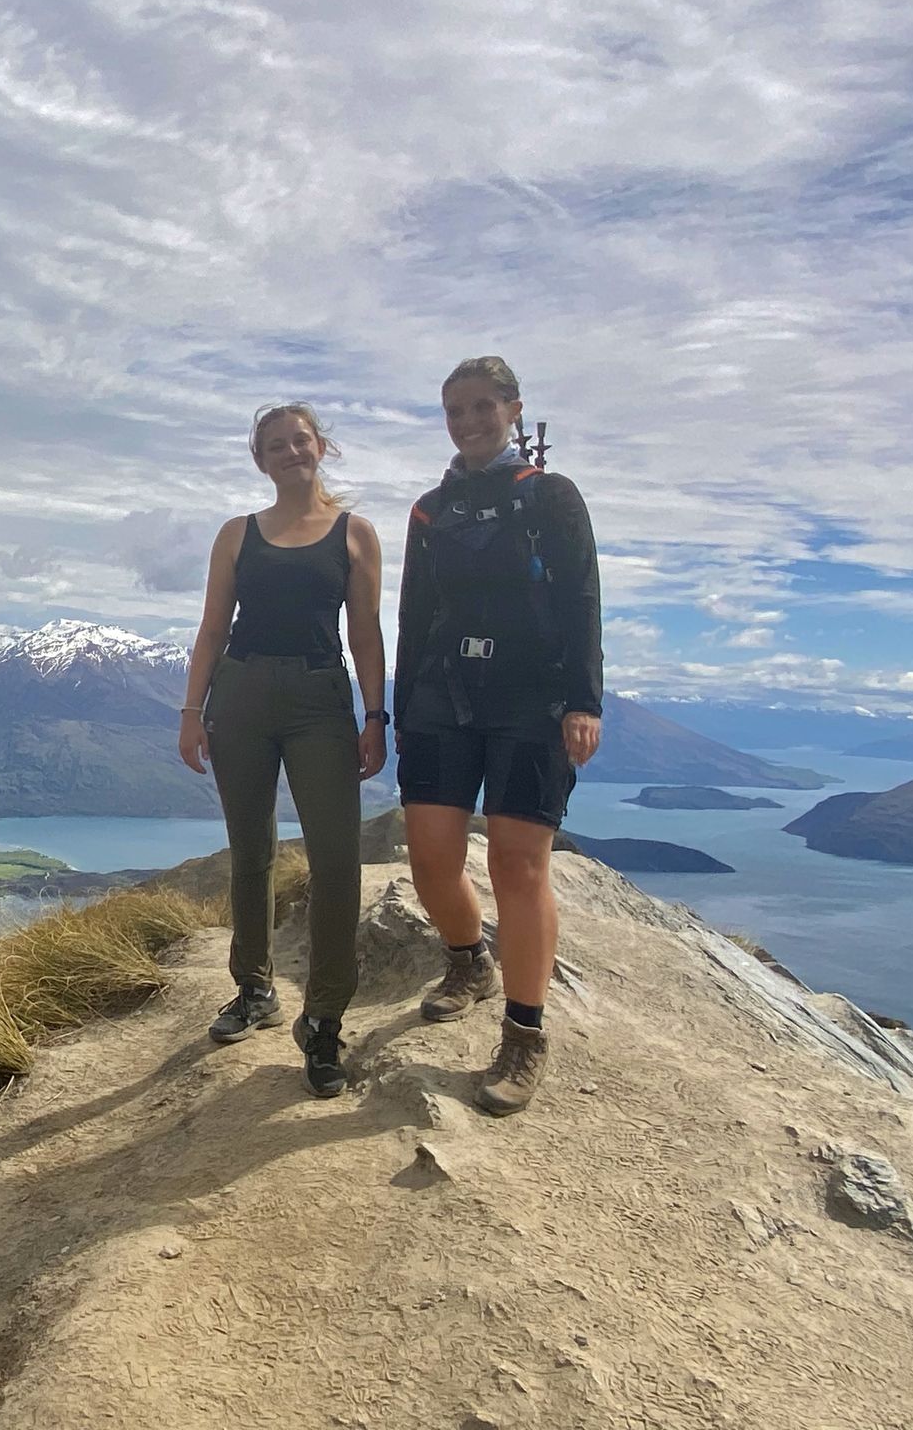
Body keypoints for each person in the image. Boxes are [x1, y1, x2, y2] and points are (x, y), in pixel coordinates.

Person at [394, 356, 603, 1115]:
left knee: (518, 867)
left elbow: (582, 595)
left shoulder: (550, 496)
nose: (470, 422)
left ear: (514, 410)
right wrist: (395, 711)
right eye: (456, 411)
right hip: (442, 699)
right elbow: (413, 616)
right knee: (431, 859)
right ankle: (466, 961)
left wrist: (583, 700)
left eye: (483, 407)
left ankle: (523, 1032)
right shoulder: (429, 510)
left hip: (531, 701)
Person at [178, 402, 388, 1098]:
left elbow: (364, 635)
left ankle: (323, 1018)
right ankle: (255, 991)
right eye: (275, 445)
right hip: (238, 696)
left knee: (335, 861)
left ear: (320, 447)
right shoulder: (237, 536)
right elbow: (212, 629)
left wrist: (375, 715)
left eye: (300, 440)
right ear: (259, 459)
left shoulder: (355, 535)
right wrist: (191, 712)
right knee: (251, 853)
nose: (290, 452)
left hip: (318, 697)